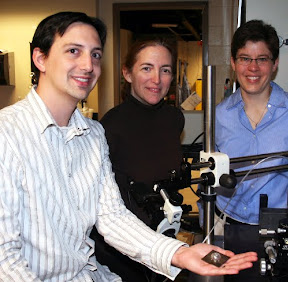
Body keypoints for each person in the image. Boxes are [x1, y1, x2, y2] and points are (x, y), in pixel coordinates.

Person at [0, 11, 258, 281]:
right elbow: (5, 260)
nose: (88, 65)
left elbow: (112, 218)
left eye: (96, 54)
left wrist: (179, 253)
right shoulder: (7, 135)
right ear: (40, 58)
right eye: (74, 51)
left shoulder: (93, 135)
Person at [199, 20, 288, 233]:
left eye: (262, 59)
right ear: (233, 63)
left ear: (275, 64)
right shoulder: (218, 115)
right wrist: (205, 222)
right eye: (245, 58)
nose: (253, 68)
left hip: (280, 227)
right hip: (225, 223)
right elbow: (207, 174)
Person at [90, 39, 185, 281]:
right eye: (146, 68)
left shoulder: (174, 118)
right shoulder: (109, 127)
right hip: (123, 252)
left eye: (165, 70)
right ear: (127, 73)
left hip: (164, 239)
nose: (156, 79)